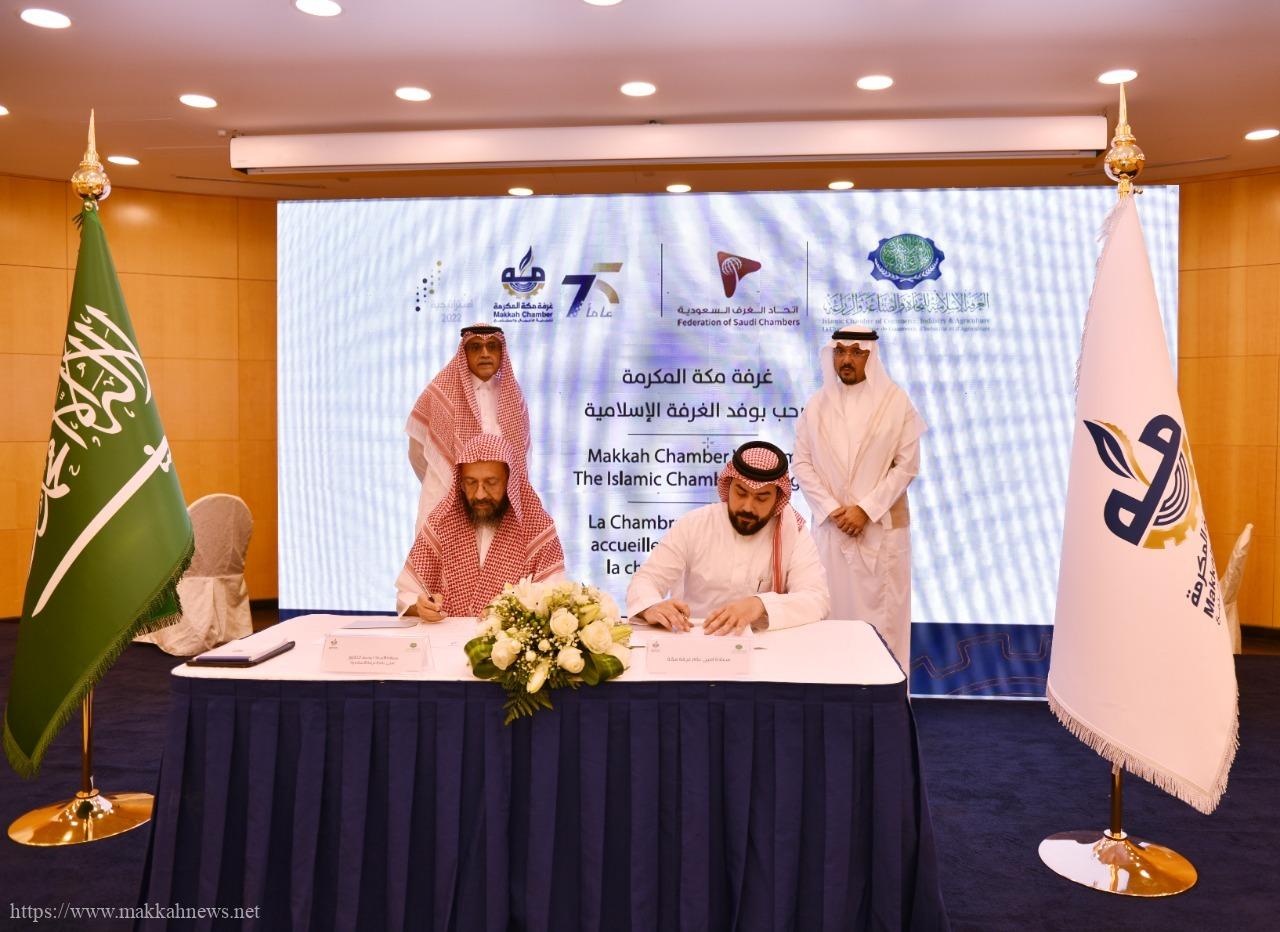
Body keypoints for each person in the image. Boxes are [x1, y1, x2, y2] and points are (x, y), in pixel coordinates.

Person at [792, 327, 926, 666]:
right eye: (840, 352)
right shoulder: (817, 405)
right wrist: (832, 509)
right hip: (831, 530)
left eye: (856, 352)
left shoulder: (896, 403)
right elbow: (801, 463)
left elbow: (907, 466)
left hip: (880, 533)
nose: (846, 360)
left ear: (871, 356)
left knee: (884, 628)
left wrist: (865, 510)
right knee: (829, 618)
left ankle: (885, 697)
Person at [625, 441, 830, 635]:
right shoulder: (695, 524)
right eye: (741, 492)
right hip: (694, 639)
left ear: (778, 498)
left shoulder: (793, 533)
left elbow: (816, 599)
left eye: (761, 498)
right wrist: (651, 606)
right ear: (728, 485)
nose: (748, 507)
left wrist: (759, 604)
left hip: (763, 644)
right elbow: (647, 579)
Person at [396, 433, 564, 620]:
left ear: (510, 482)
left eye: (491, 483)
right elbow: (406, 595)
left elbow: (554, 599)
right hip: (446, 636)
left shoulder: (537, 529)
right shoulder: (441, 523)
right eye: (471, 483)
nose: (480, 494)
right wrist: (420, 607)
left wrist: (512, 612)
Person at [405, 324, 531, 530]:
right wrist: (446, 481)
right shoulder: (439, 393)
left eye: (492, 346)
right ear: (464, 352)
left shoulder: (513, 396)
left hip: (494, 509)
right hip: (441, 502)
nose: (485, 353)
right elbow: (417, 454)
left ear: (501, 352)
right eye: (475, 347)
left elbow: (522, 457)